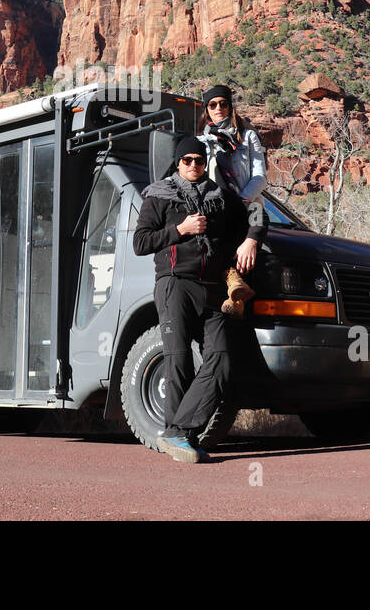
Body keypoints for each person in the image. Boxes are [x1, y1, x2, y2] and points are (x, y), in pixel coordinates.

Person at [133, 135, 266, 463]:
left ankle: (180, 432)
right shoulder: (159, 195)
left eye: (199, 160)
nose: (194, 165)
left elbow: (257, 214)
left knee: (221, 360)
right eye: (187, 160)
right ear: (178, 162)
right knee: (177, 360)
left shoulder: (220, 196)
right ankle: (178, 436)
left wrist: (250, 241)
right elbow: (141, 242)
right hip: (175, 284)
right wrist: (181, 229)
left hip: (215, 290)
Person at [199, 85, 268, 317]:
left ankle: (235, 286)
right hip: (215, 207)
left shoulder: (248, 137)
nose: (218, 108)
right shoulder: (201, 141)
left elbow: (260, 177)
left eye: (223, 103)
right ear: (206, 110)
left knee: (258, 212)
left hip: (247, 203)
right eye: (212, 105)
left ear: (230, 106)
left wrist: (240, 202)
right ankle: (234, 290)